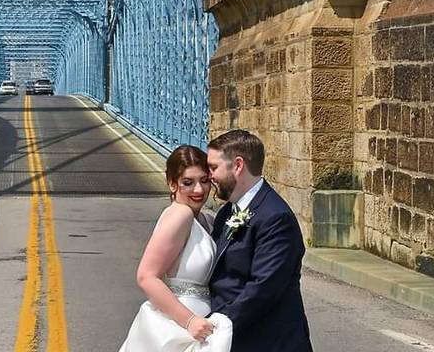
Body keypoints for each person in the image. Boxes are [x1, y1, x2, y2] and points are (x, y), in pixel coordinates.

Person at [119, 146, 233, 352]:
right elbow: (146, 276)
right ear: (172, 184)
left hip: (201, 323)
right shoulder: (180, 214)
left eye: (204, 180)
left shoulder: (205, 219)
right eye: (188, 183)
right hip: (178, 326)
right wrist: (189, 321)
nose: (199, 190)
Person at [207, 130, 313, 352]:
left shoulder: (275, 217)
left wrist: (214, 325)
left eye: (214, 167)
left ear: (237, 165)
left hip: (268, 341)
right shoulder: (227, 213)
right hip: (235, 338)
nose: (210, 176)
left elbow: (263, 289)